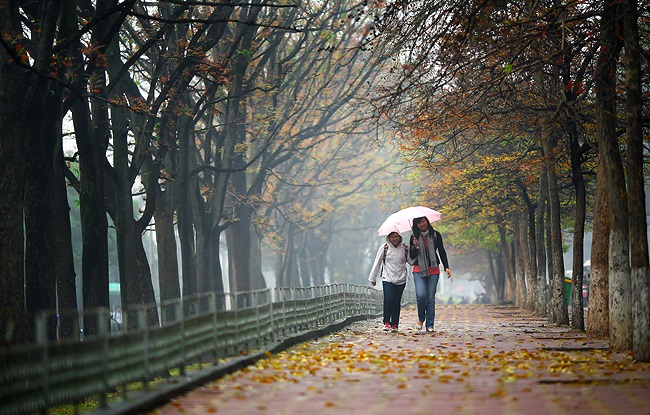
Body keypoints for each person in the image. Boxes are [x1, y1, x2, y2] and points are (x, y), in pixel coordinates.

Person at [409, 216, 451, 332]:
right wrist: (416, 246)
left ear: (427, 221)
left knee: (430, 298)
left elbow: (441, 251)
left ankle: (430, 324)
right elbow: (412, 256)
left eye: (423, 221)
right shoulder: (413, 237)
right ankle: (421, 318)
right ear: (416, 225)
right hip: (419, 269)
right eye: (419, 223)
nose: (422, 224)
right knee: (421, 295)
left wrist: (446, 266)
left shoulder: (435, 235)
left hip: (433, 269)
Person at [369, 230, 411, 332]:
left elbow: (411, 261)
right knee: (388, 299)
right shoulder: (385, 248)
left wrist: (416, 249)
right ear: (389, 238)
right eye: (392, 237)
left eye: (396, 236)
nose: (395, 239)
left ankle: (395, 324)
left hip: (401, 278)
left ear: (400, 237)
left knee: (396, 302)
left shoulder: (405, 248)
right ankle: (386, 322)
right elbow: (377, 262)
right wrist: (372, 277)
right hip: (387, 277)